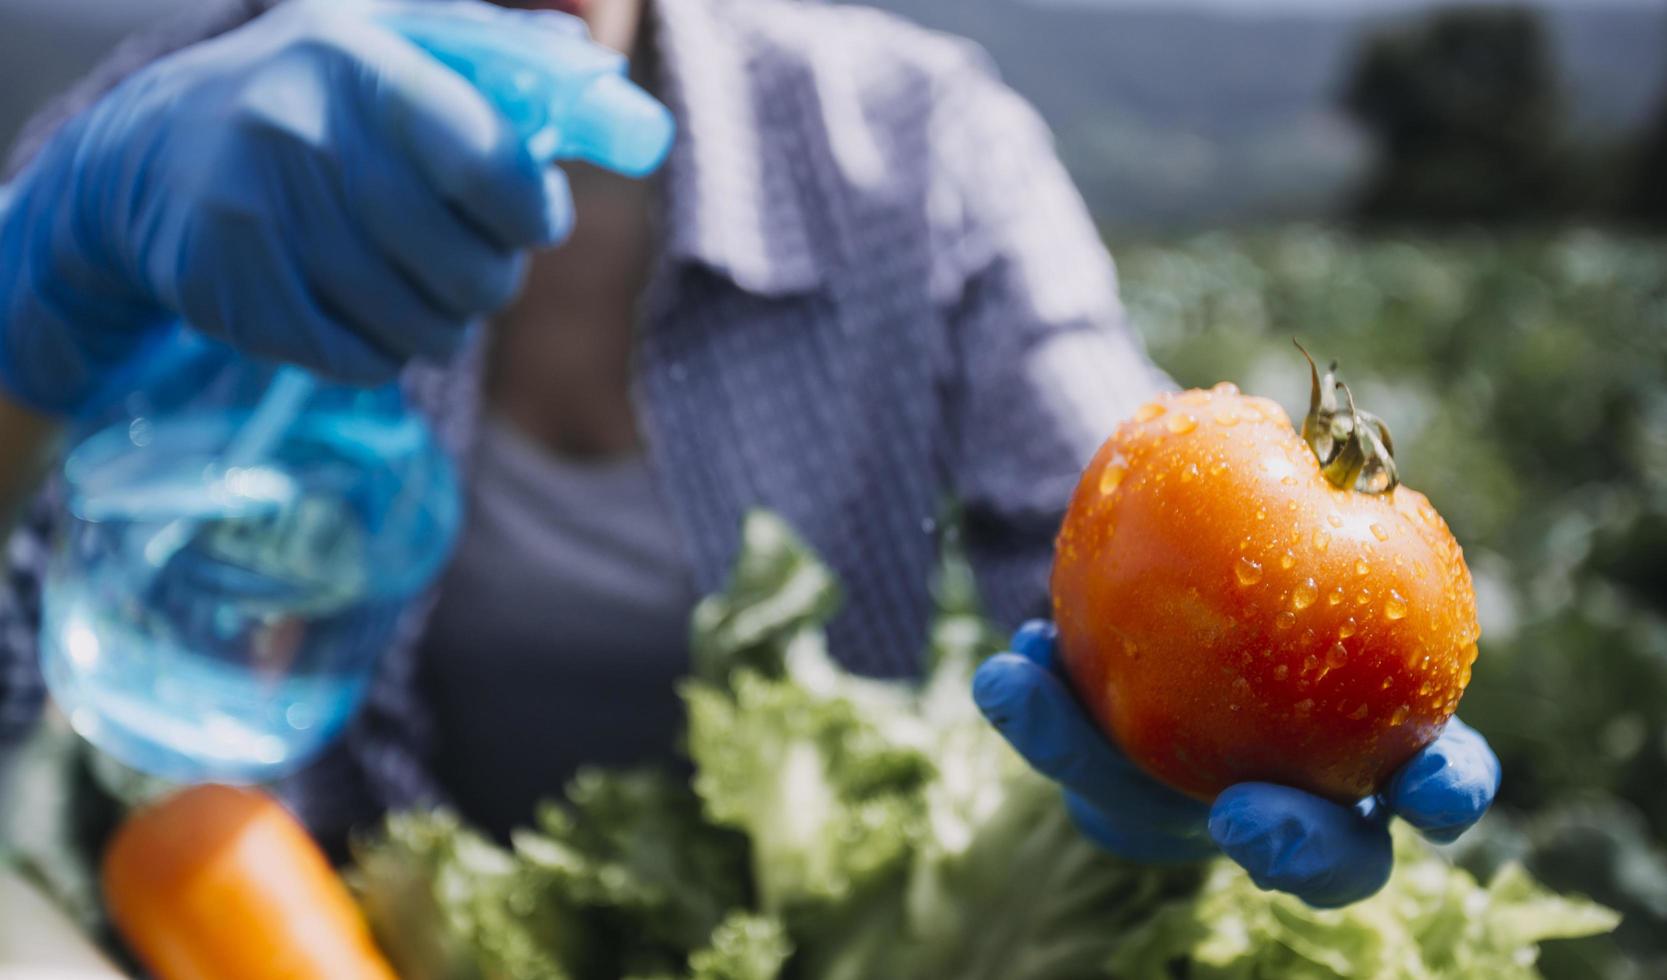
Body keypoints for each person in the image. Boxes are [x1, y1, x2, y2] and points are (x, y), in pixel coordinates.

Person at [0, 0, 1499, 906]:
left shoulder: (914, 149)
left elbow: (1114, 512)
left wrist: (1174, 744)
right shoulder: (153, 154)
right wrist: (40, 284)